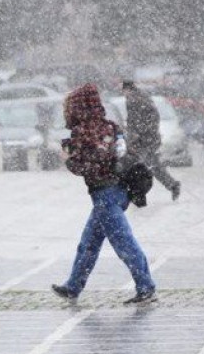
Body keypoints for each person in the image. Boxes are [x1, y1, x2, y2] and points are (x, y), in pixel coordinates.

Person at [51, 83, 157, 304]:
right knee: (89, 242)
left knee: (124, 243)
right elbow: (117, 154)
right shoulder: (109, 126)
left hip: (105, 195)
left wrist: (68, 159)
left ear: (78, 107)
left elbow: (88, 166)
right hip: (119, 190)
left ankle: (146, 287)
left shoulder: (84, 131)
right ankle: (73, 286)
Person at [122, 80, 181, 201]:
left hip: (144, 140)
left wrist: (135, 136)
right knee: (152, 165)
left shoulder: (133, 100)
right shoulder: (143, 97)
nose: (124, 93)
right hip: (149, 138)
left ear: (127, 89)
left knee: (138, 166)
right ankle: (172, 185)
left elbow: (134, 122)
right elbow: (149, 118)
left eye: (124, 90)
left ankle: (136, 193)